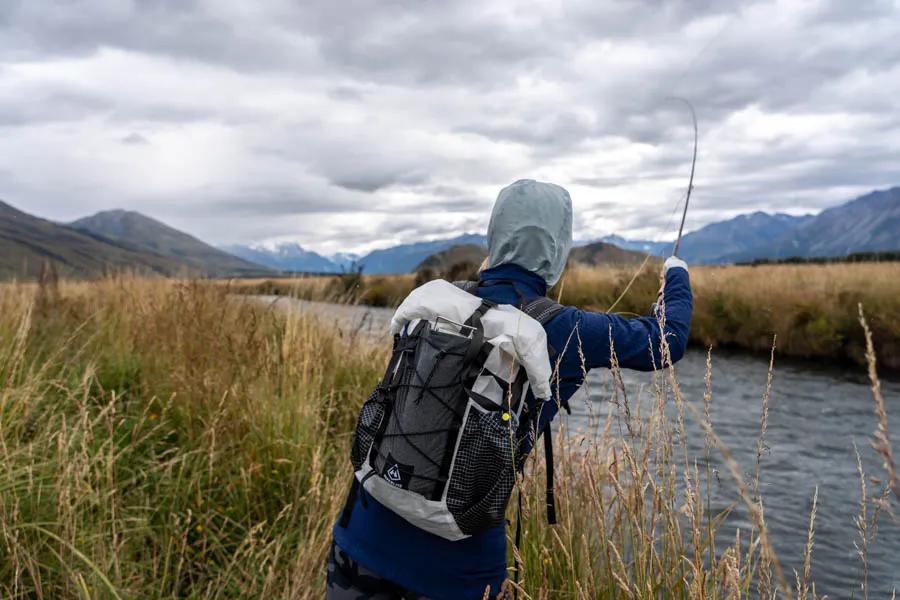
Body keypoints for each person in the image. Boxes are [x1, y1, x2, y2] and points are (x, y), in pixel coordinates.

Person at [328, 179, 693, 600]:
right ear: (558, 249)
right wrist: (676, 276)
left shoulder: (432, 304)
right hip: (458, 575)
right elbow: (667, 340)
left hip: (358, 540)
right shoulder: (561, 328)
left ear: (494, 235)